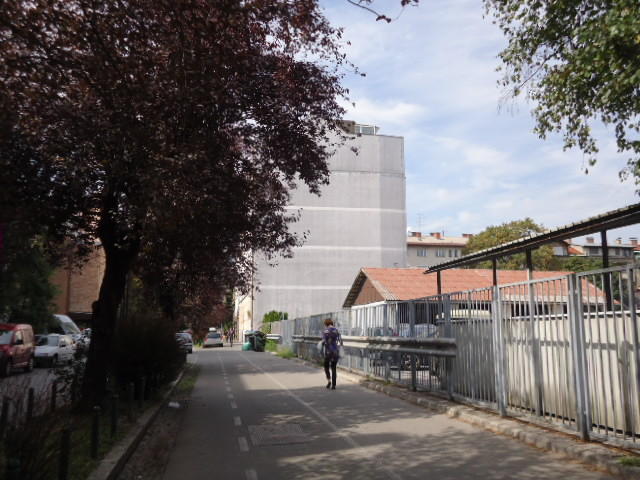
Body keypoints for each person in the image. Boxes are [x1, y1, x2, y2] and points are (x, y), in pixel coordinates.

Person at [321, 318, 342, 390]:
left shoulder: (326, 331)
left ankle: (329, 380)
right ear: (332, 323)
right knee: (334, 368)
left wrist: (323, 344)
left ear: (326, 324)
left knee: (326, 366)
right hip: (335, 351)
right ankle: (334, 385)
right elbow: (340, 341)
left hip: (328, 352)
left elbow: (323, 341)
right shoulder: (336, 330)